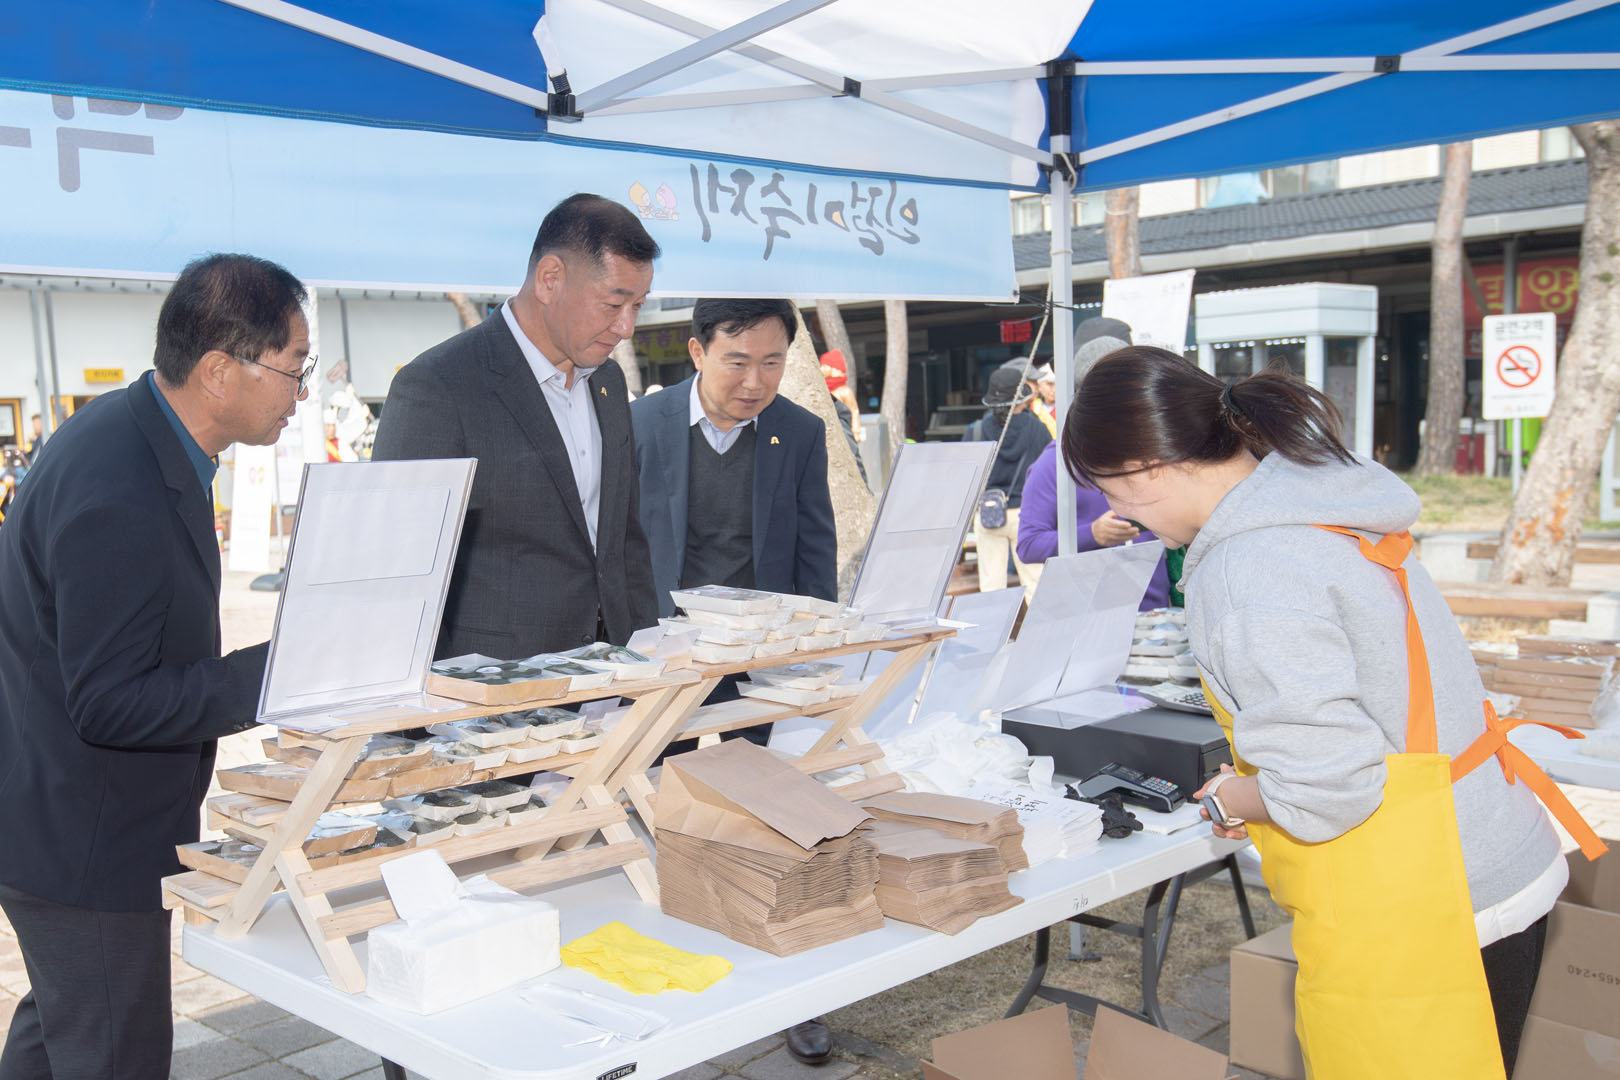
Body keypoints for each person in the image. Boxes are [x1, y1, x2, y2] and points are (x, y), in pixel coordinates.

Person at [1061, 346, 1604, 1080]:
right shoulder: (1320, 500)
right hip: (1495, 845)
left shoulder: (1250, 569)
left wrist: (1234, 795)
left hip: (1433, 900)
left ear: (1146, 468)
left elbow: (1328, 791)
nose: (1117, 513)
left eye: (1110, 492)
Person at [0, 253, 296, 1079]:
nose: (300, 394)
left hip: (66, 820)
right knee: (113, 1050)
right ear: (219, 371)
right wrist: (279, 673)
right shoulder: (119, 485)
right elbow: (109, 702)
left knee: (60, 1031)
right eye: (294, 368)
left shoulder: (140, 438)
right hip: (86, 842)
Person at [372, 193, 659, 658]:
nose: (626, 327)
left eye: (639, 306)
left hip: (612, 674)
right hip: (495, 684)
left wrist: (647, 655)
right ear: (550, 279)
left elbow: (624, 543)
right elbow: (398, 571)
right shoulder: (439, 386)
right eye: (613, 304)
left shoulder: (608, 381)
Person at [631, 298, 836, 618]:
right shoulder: (640, 423)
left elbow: (816, 553)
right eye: (738, 363)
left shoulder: (801, 432)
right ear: (698, 353)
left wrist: (819, 629)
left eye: (771, 363)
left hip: (763, 635)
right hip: (664, 633)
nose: (754, 383)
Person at [1015, 441, 1171, 610]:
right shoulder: (1053, 463)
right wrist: (1092, 534)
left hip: (1154, 607)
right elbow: (1028, 544)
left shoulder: (1142, 447)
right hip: (1090, 611)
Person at [963, 358, 1050, 591]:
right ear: (1021, 398)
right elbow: (1048, 470)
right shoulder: (1037, 428)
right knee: (1035, 582)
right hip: (1029, 514)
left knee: (991, 584)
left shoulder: (975, 431)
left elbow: (968, 475)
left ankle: (996, 617)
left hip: (989, 512)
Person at [818, 350, 867, 485]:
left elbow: (854, 410)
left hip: (845, 430)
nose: (821, 368)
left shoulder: (844, 391)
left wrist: (856, 430)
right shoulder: (822, 389)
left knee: (853, 456)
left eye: (824, 365)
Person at [1029, 364, 1057, 437]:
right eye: (1050, 384)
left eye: (1057, 384)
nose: (1054, 390)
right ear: (1039, 385)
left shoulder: (1068, 407)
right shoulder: (1031, 407)